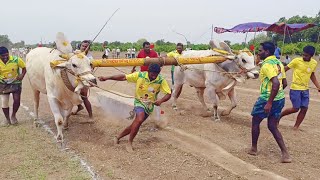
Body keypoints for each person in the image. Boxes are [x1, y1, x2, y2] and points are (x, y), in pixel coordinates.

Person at [98, 63, 171, 152]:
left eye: (156, 75)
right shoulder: (140, 75)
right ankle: (129, 143)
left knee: (136, 124)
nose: (154, 77)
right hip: (139, 102)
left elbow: (168, 94)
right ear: (148, 71)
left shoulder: (160, 80)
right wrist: (107, 78)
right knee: (139, 119)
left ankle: (118, 137)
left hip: (149, 106)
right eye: (152, 74)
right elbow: (124, 77)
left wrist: (161, 101)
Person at [248, 42, 291, 163]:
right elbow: (285, 83)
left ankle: (254, 148)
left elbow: (276, 83)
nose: (259, 52)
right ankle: (285, 154)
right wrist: (277, 97)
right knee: (272, 126)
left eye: (260, 50)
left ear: (267, 52)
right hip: (280, 98)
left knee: (255, 122)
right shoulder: (279, 63)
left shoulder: (266, 65)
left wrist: (269, 103)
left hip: (267, 99)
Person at [278, 46, 320, 130]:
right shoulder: (296, 61)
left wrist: (318, 86)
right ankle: (279, 116)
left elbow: (312, 75)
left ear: (311, 56)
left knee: (304, 108)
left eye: (306, 56)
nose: (304, 57)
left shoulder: (314, 63)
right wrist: (277, 76)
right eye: (303, 55)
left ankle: (296, 126)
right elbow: (285, 69)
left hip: (305, 89)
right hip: (295, 88)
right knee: (295, 108)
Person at [0, 46, 26, 126]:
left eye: (6, 55)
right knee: (4, 102)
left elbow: (24, 68)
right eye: (3, 56)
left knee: (17, 100)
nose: (5, 57)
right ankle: (7, 119)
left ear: (8, 53)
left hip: (15, 82)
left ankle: (13, 115)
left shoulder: (16, 59)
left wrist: (21, 75)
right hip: (3, 84)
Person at [72, 40, 93, 118]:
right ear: (80, 46)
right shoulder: (75, 54)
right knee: (71, 93)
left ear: (88, 48)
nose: (84, 47)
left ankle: (91, 116)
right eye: (83, 46)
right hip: (74, 79)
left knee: (84, 97)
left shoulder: (89, 58)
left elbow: (91, 68)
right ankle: (79, 106)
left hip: (84, 79)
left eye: (86, 46)